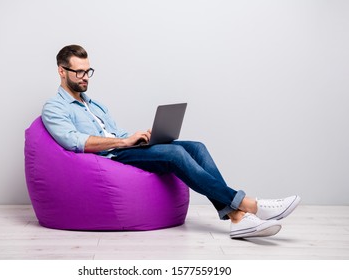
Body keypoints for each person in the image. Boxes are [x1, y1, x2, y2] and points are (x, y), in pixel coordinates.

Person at [42, 44, 301, 238]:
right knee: (175, 156)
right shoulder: (54, 108)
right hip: (111, 157)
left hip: (125, 148)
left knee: (196, 147)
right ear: (61, 71)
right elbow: (74, 142)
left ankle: (236, 217)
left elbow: (116, 133)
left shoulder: (94, 103)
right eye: (78, 72)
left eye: (88, 71)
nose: (85, 77)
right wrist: (124, 143)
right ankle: (249, 205)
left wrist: (138, 138)